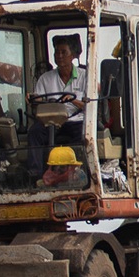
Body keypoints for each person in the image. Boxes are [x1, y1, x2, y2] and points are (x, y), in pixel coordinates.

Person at [28, 36, 86, 179]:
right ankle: (36, 175)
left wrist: (73, 101)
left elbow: (90, 106)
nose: (59, 56)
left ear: (72, 55)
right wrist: (33, 100)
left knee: (83, 135)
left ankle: (74, 174)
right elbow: (38, 102)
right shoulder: (45, 78)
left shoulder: (85, 76)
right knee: (34, 132)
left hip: (76, 120)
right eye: (56, 52)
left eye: (63, 52)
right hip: (51, 121)